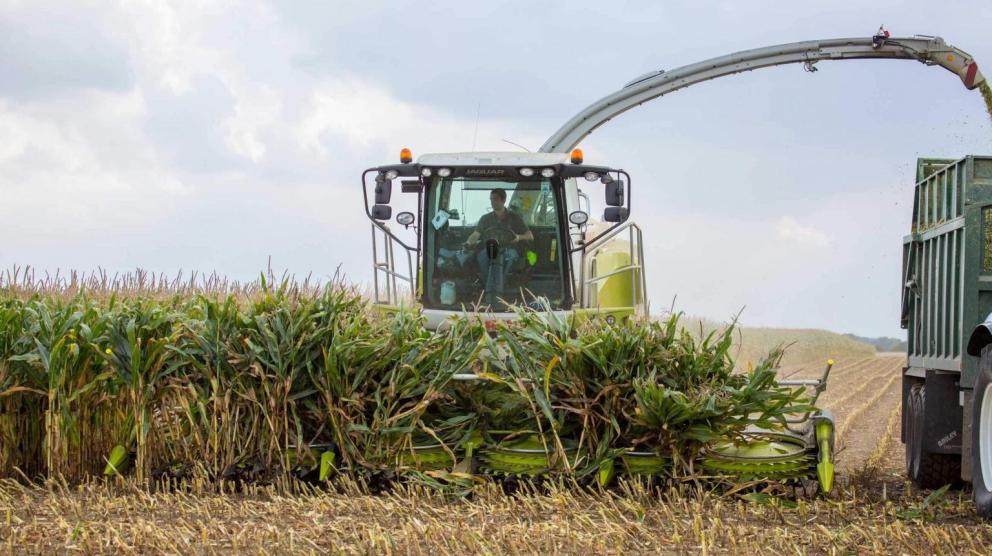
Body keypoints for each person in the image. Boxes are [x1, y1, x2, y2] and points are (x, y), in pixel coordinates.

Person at [464, 188, 533, 302]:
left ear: (503, 200)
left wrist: (518, 237)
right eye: (491, 199)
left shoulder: (515, 217)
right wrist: (467, 243)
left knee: (509, 257)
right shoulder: (485, 218)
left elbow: (530, 236)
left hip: (510, 249)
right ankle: (490, 288)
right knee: (481, 257)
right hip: (490, 249)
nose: (492, 202)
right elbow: (476, 234)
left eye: (495, 199)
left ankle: (500, 287)